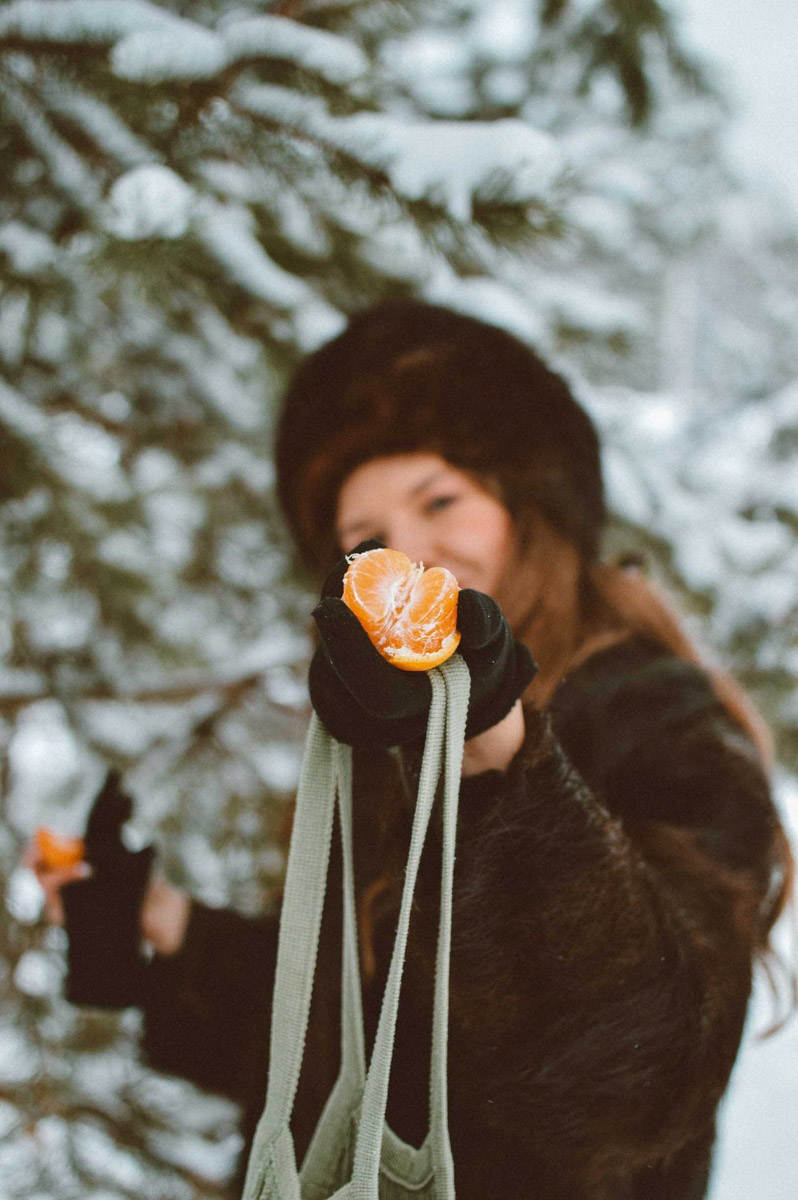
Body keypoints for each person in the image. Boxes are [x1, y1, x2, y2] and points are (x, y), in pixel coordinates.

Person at [30, 300, 792, 1199]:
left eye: (440, 501)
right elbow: (344, 1045)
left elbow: (647, 1070)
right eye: (367, 539)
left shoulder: (655, 717)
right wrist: (162, 923)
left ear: (529, 508)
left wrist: (497, 753)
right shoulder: (381, 750)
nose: (412, 553)